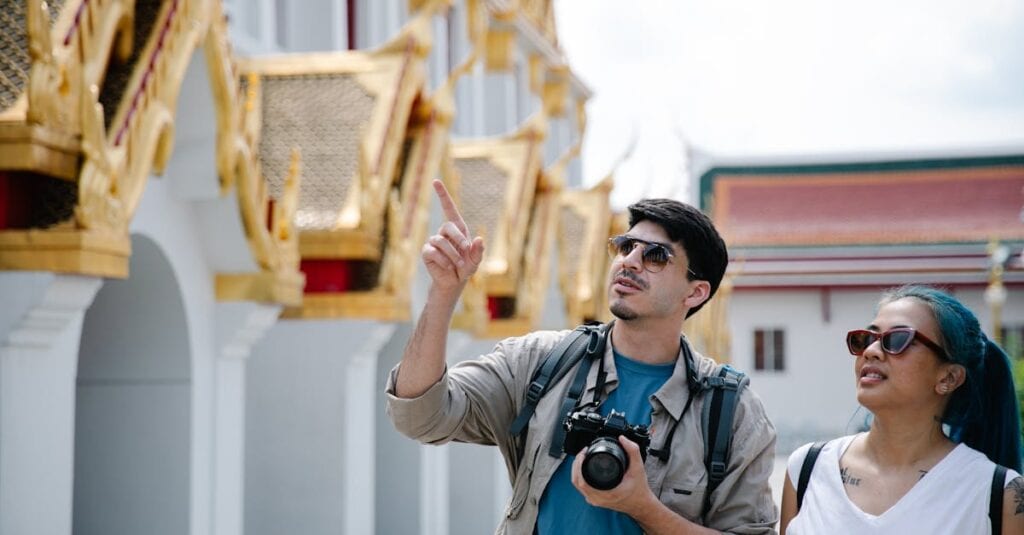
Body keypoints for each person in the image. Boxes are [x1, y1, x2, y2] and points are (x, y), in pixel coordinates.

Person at [386, 180, 778, 534]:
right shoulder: (542, 362)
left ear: (695, 293)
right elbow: (420, 415)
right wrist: (443, 293)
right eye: (625, 247)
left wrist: (643, 507)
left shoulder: (731, 412)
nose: (630, 261)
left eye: (656, 256)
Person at [780, 284, 1024, 534]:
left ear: (948, 378)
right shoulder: (808, 469)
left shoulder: (998, 495)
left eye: (897, 340)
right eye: (867, 339)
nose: (871, 352)